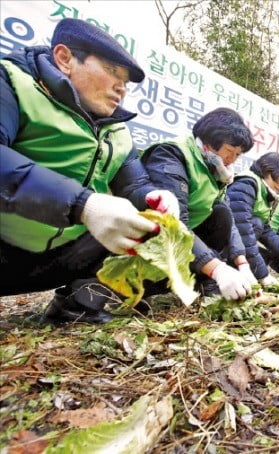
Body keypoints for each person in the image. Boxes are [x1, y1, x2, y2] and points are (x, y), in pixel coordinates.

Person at [0, 18, 180, 323]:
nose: (121, 88)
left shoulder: (117, 131)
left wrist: (155, 196)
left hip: (57, 256)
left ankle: (77, 306)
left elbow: (134, 185)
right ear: (64, 58)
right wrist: (84, 204)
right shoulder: (12, 83)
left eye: (126, 81)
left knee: (151, 234)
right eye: (112, 71)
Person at [141, 108, 258, 301]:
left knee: (221, 215)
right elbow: (173, 222)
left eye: (238, 155)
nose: (232, 160)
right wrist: (217, 268)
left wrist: (242, 262)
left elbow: (230, 220)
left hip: (187, 241)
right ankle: (156, 285)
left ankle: (200, 281)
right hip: (155, 238)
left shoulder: (216, 169)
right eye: (230, 151)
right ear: (210, 142)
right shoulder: (171, 155)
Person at [227, 153, 279, 286]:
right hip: (224, 243)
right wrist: (263, 275)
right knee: (256, 224)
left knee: (265, 256)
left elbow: (266, 231)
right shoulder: (246, 185)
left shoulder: (263, 192)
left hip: (235, 244)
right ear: (266, 170)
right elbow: (243, 230)